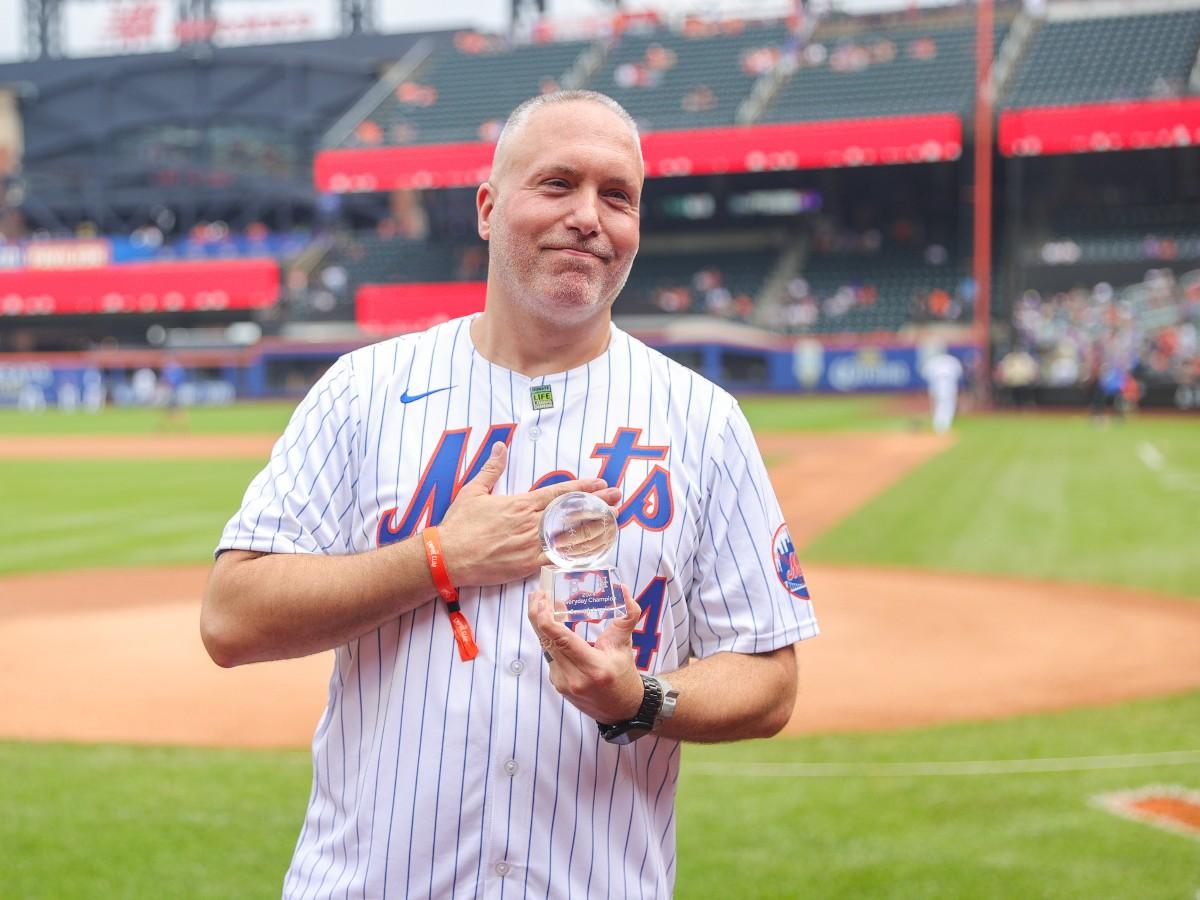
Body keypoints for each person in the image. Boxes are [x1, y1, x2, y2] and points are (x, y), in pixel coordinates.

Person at [203, 90, 816, 899]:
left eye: (617, 197)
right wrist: (436, 558)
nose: (589, 217)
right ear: (489, 208)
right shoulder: (366, 389)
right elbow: (231, 616)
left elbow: (769, 678)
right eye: (557, 185)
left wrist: (643, 698)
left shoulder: (704, 420)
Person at [920, 347, 963, 434]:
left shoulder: (933, 361)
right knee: (947, 404)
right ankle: (943, 426)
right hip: (946, 383)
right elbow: (959, 374)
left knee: (940, 404)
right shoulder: (951, 360)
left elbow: (925, 375)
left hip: (939, 383)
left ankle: (940, 425)